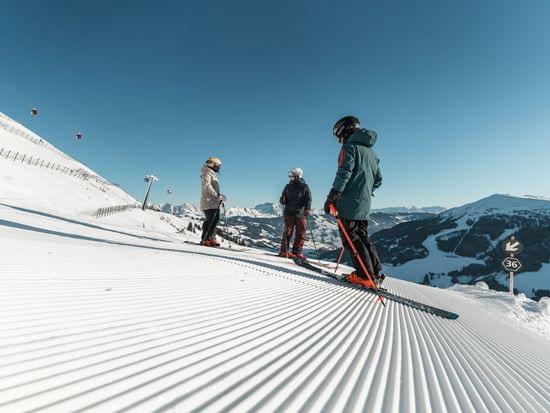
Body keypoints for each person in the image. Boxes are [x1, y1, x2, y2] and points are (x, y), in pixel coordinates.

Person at [324, 116, 383, 288]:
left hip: (348, 203)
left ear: (344, 130)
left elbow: (344, 173)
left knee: (351, 240)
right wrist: (365, 191)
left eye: (338, 134)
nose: (338, 138)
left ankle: (365, 276)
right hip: (364, 204)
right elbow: (378, 179)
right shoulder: (372, 153)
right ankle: (374, 272)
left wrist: (333, 196)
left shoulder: (349, 148)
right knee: (362, 237)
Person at [279, 167, 312, 259]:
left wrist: (307, 209)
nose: (290, 177)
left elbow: (308, 199)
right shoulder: (287, 186)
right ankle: (283, 251)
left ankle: (297, 252)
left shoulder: (304, 186)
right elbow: (283, 198)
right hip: (289, 212)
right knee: (288, 232)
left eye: (292, 175)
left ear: (298, 175)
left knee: (301, 233)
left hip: (301, 213)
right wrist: (282, 200)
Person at [200, 156, 226, 246]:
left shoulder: (211, 174)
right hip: (208, 201)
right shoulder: (207, 173)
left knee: (215, 219)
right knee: (211, 220)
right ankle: (205, 238)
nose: (218, 168)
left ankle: (211, 237)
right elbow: (207, 187)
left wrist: (218, 197)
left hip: (213, 201)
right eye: (217, 166)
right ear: (212, 164)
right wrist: (217, 196)